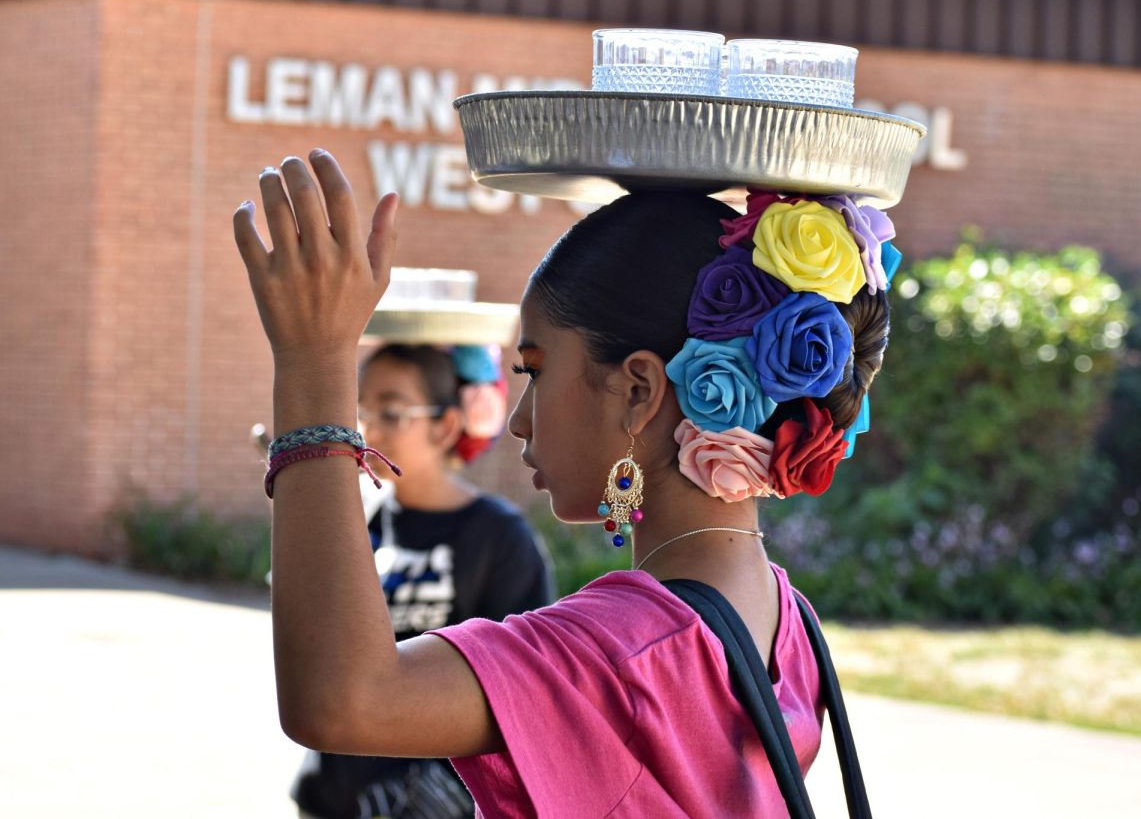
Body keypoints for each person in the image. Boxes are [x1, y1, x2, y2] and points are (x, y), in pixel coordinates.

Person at [236, 149, 895, 817]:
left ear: (638, 390)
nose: (519, 419)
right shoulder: (790, 622)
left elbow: (344, 698)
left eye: (534, 369)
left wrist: (312, 360)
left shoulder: (625, 651)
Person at [289, 291, 553, 817]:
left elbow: (523, 694)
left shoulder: (500, 537)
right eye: (359, 411)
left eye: (390, 411)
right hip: (334, 793)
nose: (367, 432)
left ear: (448, 424)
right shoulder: (358, 523)